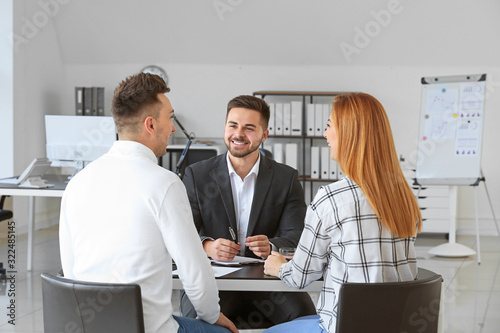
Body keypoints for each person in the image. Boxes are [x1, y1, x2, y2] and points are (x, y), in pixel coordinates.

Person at [59, 73, 237, 333]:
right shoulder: (164, 184)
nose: (174, 128)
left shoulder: (77, 183)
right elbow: (195, 275)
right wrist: (213, 315)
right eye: (170, 118)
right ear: (151, 125)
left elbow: (70, 270)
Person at [263, 92, 422, 333]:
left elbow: (301, 276)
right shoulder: (402, 195)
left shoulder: (331, 198)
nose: (325, 134)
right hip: (397, 325)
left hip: (346, 326)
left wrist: (277, 266)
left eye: (329, 126)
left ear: (349, 133)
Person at [180, 95, 316, 328]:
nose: (238, 134)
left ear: (264, 135)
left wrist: (271, 245)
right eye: (233, 125)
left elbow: (297, 233)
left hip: (269, 281)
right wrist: (208, 246)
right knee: (198, 323)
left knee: (306, 319)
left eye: (249, 128)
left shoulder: (286, 178)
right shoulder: (197, 175)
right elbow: (182, 232)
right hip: (212, 280)